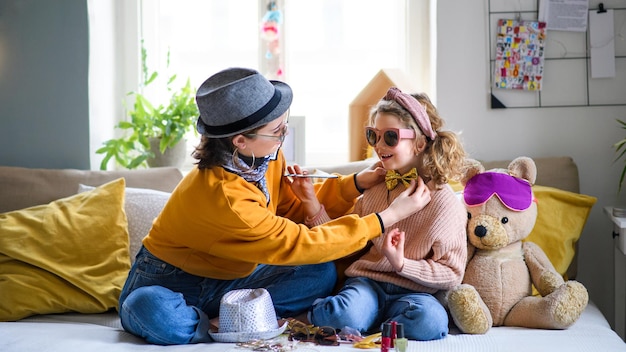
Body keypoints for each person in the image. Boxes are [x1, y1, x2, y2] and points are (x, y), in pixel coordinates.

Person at [117, 68, 432, 345]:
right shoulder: (226, 199)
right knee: (151, 310)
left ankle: (232, 311)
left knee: (320, 273)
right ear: (240, 140)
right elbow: (299, 241)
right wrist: (387, 217)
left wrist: (354, 184)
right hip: (169, 279)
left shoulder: (264, 157)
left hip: (233, 275)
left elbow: (295, 206)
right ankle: (218, 322)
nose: (284, 134)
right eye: (277, 130)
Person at [306, 87, 468, 341]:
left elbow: (452, 272)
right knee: (342, 314)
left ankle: (369, 324)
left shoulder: (445, 203)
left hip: (415, 294)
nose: (379, 146)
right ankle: (358, 318)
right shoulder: (376, 187)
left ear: (420, 143)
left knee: (432, 322)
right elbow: (347, 242)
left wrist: (403, 264)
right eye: (373, 135)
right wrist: (313, 207)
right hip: (367, 284)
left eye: (390, 137)